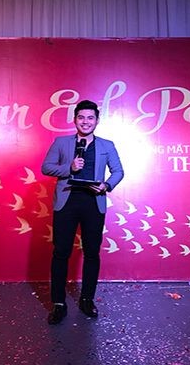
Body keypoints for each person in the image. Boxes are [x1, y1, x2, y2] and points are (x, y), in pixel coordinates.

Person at [41, 100, 124, 325]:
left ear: (97, 120)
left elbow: (118, 171)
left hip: (93, 203)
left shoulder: (107, 145)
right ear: (75, 120)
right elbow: (46, 167)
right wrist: (69, 168)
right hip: (66, 202)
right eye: (81, 117)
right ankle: (59, 303)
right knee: (61, 252)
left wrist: (106, 185)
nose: (85, 122)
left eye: (90, 118)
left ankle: (87, 299)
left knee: (92, 253)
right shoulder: (61, 142)